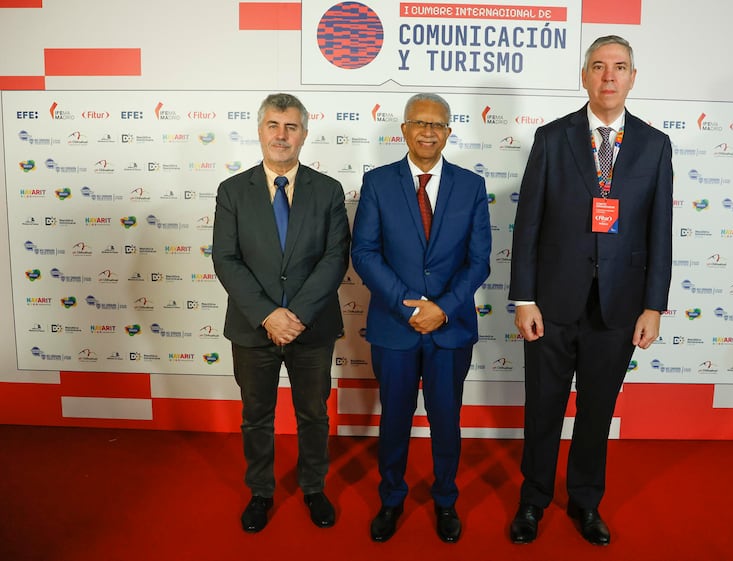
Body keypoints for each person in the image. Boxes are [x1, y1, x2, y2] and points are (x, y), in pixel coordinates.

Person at [508, 35, 673, 546]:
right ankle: (533, 500)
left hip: (619, 308)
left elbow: (660, 231)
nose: (608, 76)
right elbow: (527, 224)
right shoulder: (552, 138)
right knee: (543, 409)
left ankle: (585, 501)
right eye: (598, 66)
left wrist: (653, 305)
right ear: (584, 76)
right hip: (552, 304)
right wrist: (524, 298)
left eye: (619, 67)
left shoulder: (654, 144)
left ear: (632, 78)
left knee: (596, 412)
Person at [351, 93, 491, 543]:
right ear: (404, 129)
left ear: (448, 132)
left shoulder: (470, 186)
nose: (428, 132)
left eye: (438, 124)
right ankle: (391, 498)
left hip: (451, 328)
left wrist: (443, 308)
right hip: (396, 326)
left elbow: (479, 261)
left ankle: (445, 499)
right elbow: (364, 252)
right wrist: (408, 305)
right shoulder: (378, 183)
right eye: (419, 122)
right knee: (394, 417)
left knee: (446, 419)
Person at [212, 93, 350, 533]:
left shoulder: (328, 190)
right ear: (260, 131)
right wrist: (268, 315)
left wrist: (297, 315)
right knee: (257, 416)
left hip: (312, 327)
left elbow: (335, 257)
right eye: (273, 125)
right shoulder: (233, 191)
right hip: (253, 328)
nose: (281, 135)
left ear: (304, 134)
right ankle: (261, 492)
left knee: (313, 414)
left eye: (291, 127)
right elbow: (226, 259)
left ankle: (313, 488)